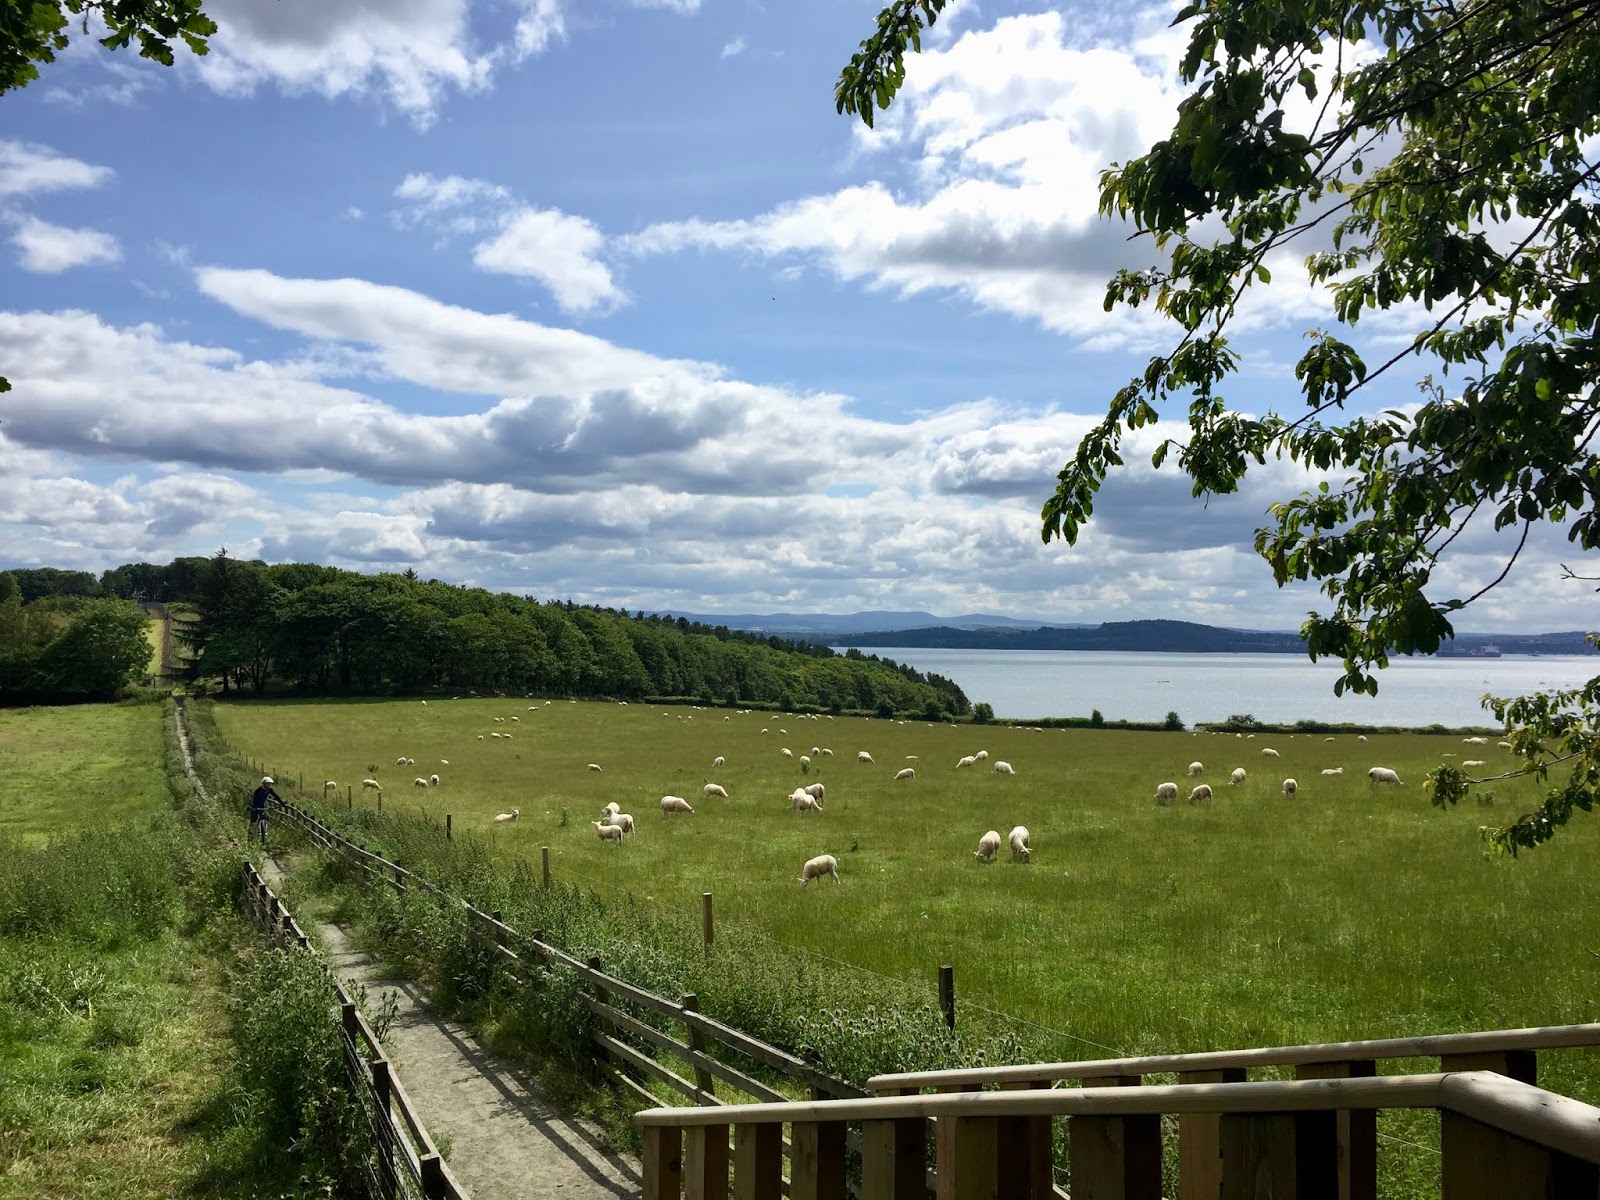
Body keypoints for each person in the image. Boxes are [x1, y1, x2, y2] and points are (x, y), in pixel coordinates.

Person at [248, 776, 280, 848]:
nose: (269, 785)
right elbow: (253, 800)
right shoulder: (257, 791)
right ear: (264, 784)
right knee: (253, 822)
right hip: (255, 807)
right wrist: (252, 807)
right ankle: (250, 837)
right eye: (268, 784)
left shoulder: (269, 790)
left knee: (266, 817)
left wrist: (282, 804)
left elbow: (276, 796)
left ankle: (264, 831)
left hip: (263, 807)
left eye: (270, 784)